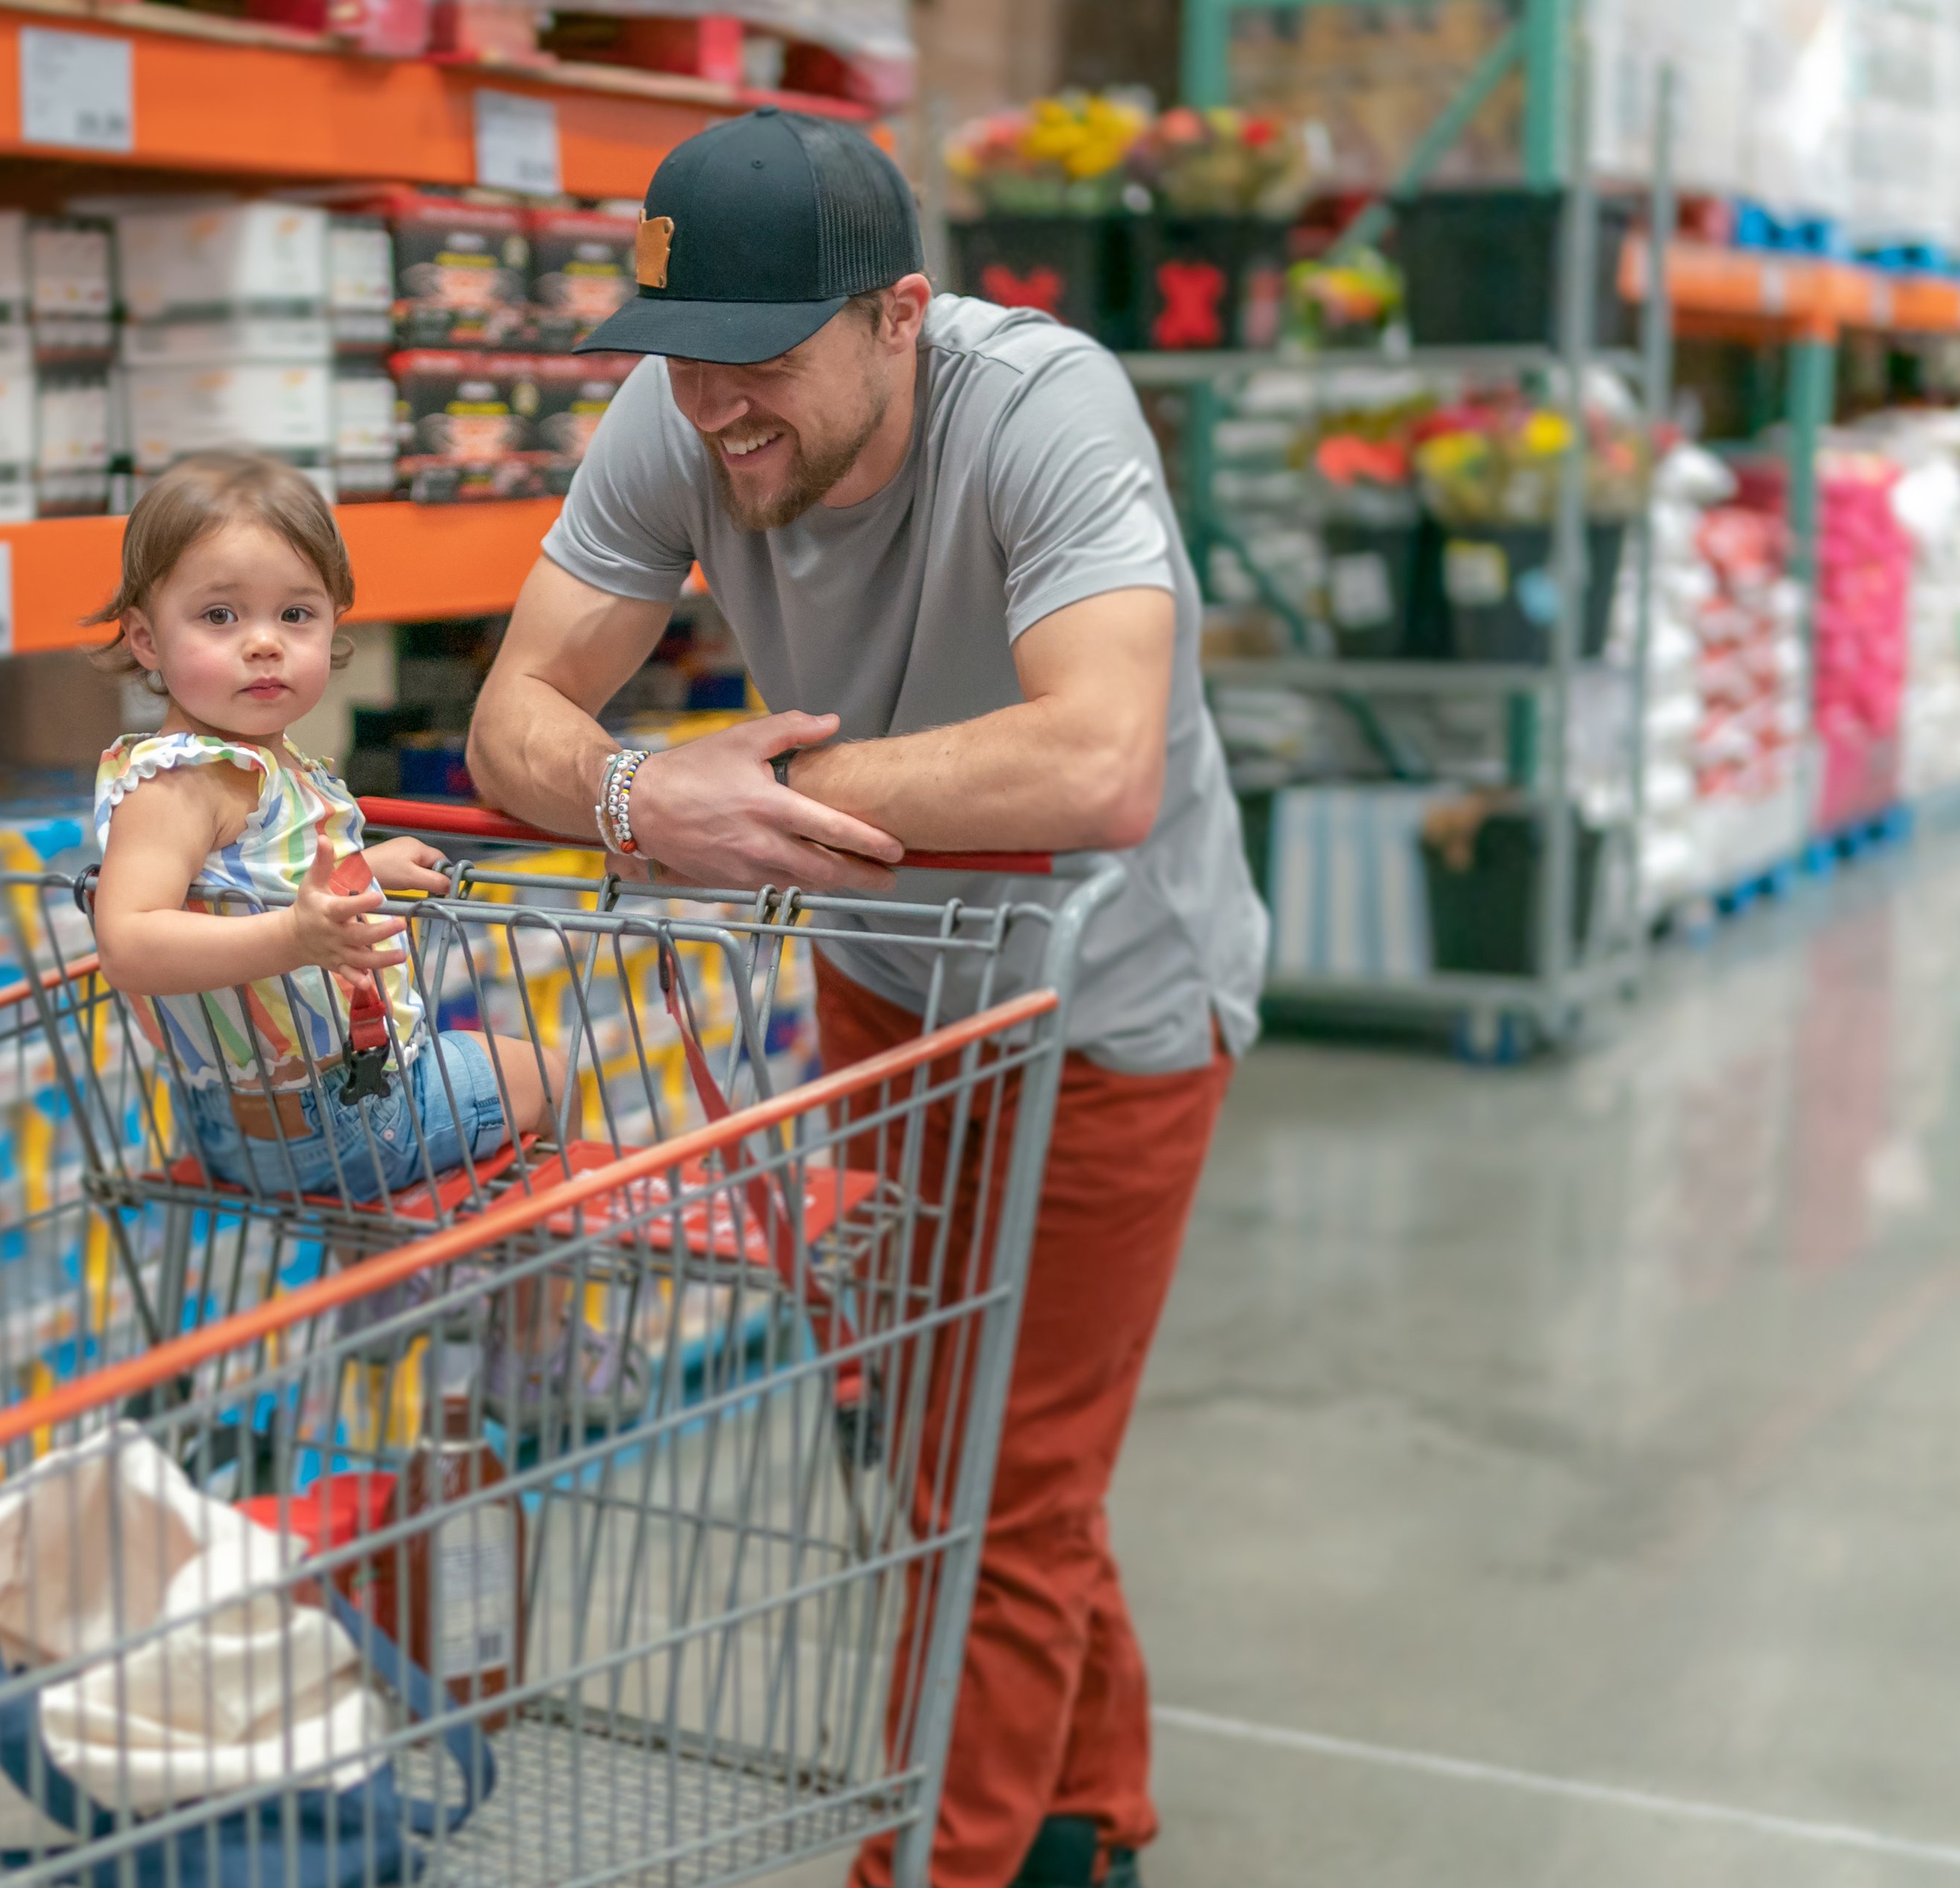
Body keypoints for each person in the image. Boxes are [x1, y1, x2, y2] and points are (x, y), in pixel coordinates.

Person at [464, 107, 1268, 1888]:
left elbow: (1100, 761)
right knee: (929, 1419)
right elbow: (514, 709)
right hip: (884, 984)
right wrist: (630, 795)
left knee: (997, 1490)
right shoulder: (677, 412)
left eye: (757, 360)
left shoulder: (1044, 408)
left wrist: (750, 804)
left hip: (1108, 1002)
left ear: (900, 315)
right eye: (678, 360)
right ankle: (1087, 1813)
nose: (710, 404)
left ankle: (937, 1863)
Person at [88, 450, 559, 1203]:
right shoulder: (182, 780)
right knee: (546, 1073)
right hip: (342, 1121)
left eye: (296, 614)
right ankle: (529, 1322)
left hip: (237, 1126)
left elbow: (256, 881)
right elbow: (130, 942)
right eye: (219, 616)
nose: (265, 641)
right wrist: (293, 939)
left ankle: (381, 1296)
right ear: (145, 639)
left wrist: (362, 870)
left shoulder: (260, 766)